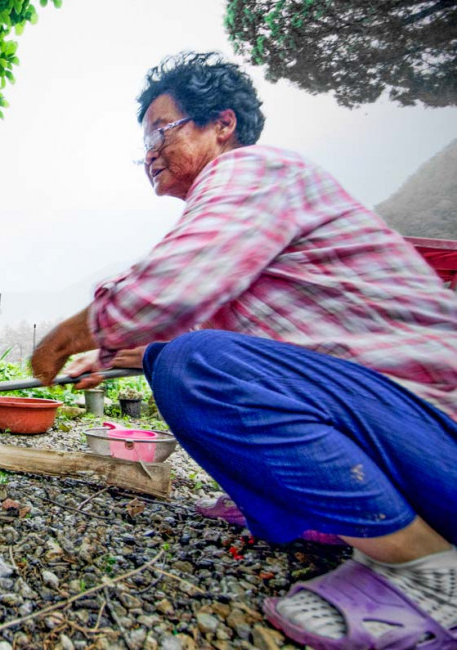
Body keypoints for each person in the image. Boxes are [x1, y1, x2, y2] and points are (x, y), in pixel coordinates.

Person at [30, 52, 457, 649]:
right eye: (143, 143)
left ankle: (430, 574)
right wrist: (111, 356)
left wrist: (72, 335)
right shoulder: (243, 230)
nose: (149, 151)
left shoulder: (255, 170)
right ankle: (320, 508)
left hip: (438, 438)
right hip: (415, 441)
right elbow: (185, 329)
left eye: (160, 130)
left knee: (195, 366)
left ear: (221, 124)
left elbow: (176, 292)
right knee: (175, 358)